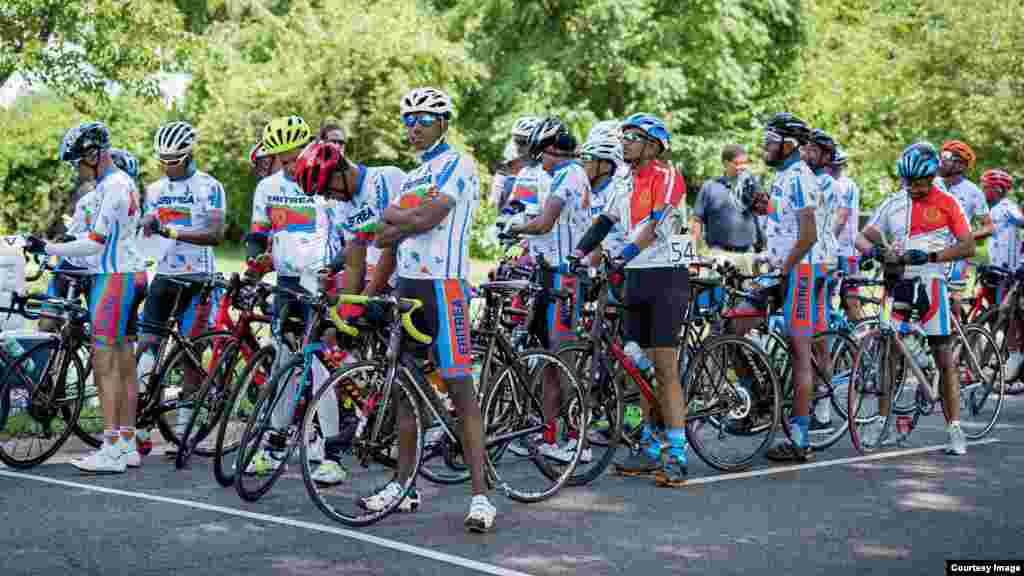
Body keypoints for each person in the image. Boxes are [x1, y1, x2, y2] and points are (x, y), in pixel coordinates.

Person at [363, 87, 497, 532]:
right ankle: (404, 485)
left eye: (423, 119)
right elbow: (382, 238)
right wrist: (404, 217)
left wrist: (401, 217)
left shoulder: (458, 164)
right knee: (406, 390)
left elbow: (422, 221)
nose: (413, 127)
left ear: (443, 122)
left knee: (461, 391)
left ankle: (481, 497)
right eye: (407, 120)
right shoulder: (409, 176)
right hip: (409, 288)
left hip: (447, 288)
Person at [572, 112, 690, 486]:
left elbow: (653, 227)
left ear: (653, 145)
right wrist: (576, 255)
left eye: (632, 136)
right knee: (637, 368)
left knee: (665, 367)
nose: (624, 142)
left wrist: (620, 256)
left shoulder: (667, 175)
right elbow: (604, 222)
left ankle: (677, 452)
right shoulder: (624, 179)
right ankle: (650, 445)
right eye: (622, 136)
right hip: (635, 277)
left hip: (666, 275)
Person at [27, 122, 147, 473]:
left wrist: (48, 247)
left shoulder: (114, 186)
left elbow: (94, 243)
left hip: (113, 279)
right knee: (125, 365)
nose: (77, 168)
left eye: (79, 161)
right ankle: (126, 443)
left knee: (104, 364)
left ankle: (110, 448)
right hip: (130, 274)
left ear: (95, 155)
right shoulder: (121, 184)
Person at [293, 141, 406, 485]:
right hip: (376, 282)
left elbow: (392, 244)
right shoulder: (343, 205)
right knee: (331, 340)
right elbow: (356, 256)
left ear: (342, 170)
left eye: (328, 187)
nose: (329, 197)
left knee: (417, 360)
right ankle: (349, 433)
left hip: (408, 277)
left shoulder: (386, 179)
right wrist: (346, 305)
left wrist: (366, 298)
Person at [855, 142, 975, 455]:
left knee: (944, 358)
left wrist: (932, 255)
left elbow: (967, 246)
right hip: (897, 284)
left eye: (920, 183)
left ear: (932, 176)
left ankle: (954, 428)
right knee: (888, 355)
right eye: (909, 182)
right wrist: (877, 251)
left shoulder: (948, 203)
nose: (914, 188)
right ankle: (881, 420)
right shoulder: (894, 202)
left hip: (932, 284)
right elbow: (862, 235)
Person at [137, 121, 227, 458]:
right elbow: (150, 222)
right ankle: (142, 426)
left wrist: (171, 232)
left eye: (173, 160)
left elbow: (217, 234)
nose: (166, 166)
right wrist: (147, 225)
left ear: (189, 155)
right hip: (164, 275)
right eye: (162, 159)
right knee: (146, 349)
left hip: (198, 279)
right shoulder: (154, 189)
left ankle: (185, 433)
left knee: (191, 356)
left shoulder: (210, 187)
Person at [244, 115, 328, 474]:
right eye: (280, 159)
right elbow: (258, 234)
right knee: (282, 361)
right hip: (287, 281)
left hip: (320, 282)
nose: (288, 165)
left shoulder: (324, 185)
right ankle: (275, 443)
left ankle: (325, 448)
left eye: (293, 156)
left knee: (321, 364)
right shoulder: (268, 187)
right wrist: (254, 259)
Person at [505, 117, 589, 463]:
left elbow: (544, 222)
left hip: (563, 277)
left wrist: (515, 228)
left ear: (554, 150)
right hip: (548, 274)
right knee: (548, 358)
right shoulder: (564, 174)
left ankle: (572, 437)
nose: (542, 163)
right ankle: (550, 431)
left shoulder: (569, 174)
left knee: (561, 358)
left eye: (543, 156)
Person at [756, 112, 832, 462]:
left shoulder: (800, 177)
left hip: (802, 269)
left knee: (801, 352)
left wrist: (783, 269)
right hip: (793, 266)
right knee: (742, 322)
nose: (765, 146)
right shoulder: (786, 177)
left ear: (789, 144)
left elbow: (807, 234)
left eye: (771, 141)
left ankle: (800, 439)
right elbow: (784, 225)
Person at [981, 169, 1024, 391]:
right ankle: (1010, 357)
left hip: (1006, 272)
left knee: (1006, 316)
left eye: (985, 187)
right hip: (999, 270)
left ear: (997, 189)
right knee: (1000, 316)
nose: (982, 190)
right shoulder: (1001, 209)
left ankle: (1014, 357)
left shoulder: (1004, 209)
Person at [940, 140, 991, 318]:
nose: (942, 161)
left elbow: (989, 226)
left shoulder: (973, 191)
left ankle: (956, 336)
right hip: (932, 251)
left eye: (947, 157)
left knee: (953, 299)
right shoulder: (931, 184)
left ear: (961, 165)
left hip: (957, 255)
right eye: (942, 156)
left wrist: (967, 237)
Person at [690, 144, 764, 270]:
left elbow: (762, 218)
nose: (742, 167)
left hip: (748, 254)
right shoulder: (709, 187)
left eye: (744, 163)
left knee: (749, 289)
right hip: (718, 254)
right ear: (725, 163)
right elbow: (697, 221)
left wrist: (763, 248)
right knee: (719, 290)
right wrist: (692, 255)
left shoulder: (753, 186)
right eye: (737, 163)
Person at [830, 147, 864, 321]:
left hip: (844, 250)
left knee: (848, 297)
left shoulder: (843, 185)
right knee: (847, 295)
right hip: (844, 249)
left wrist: (827, 243)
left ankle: (858, 333)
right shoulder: (845, 184)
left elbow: (841, 218)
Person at [491, 116, 539, 210]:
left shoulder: (545, 170)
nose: (518, 147)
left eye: (524, 142)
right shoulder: (505, 170)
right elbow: (493, 205)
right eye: (516, 141)